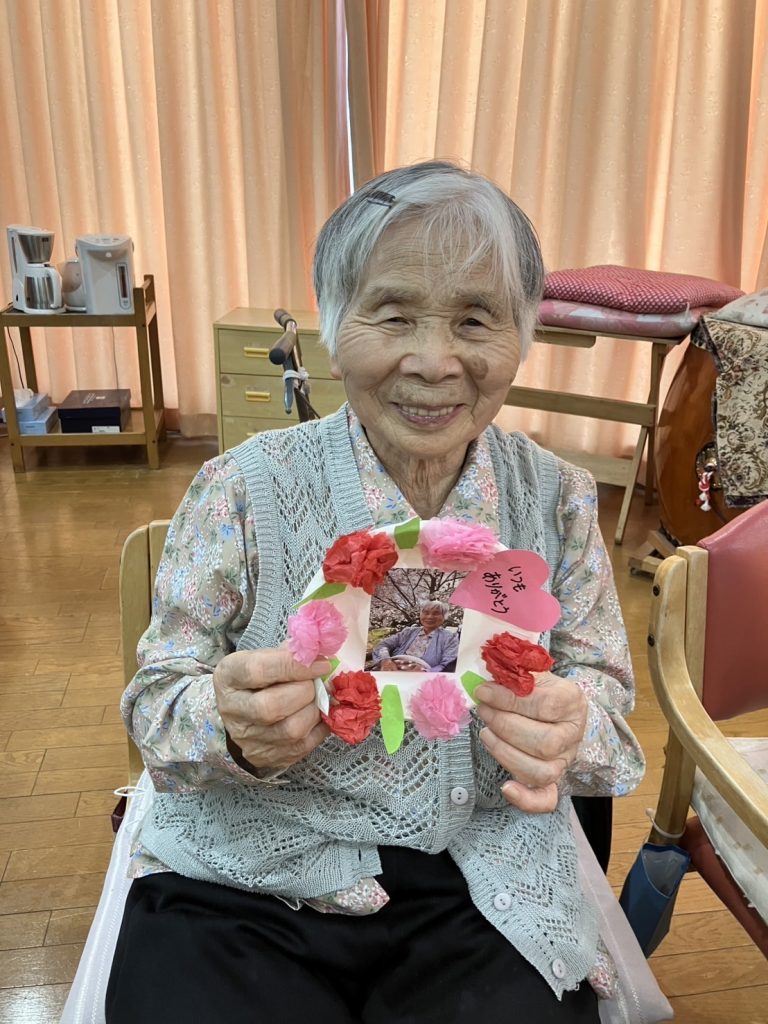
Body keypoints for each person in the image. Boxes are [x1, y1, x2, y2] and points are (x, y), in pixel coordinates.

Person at [108, 161, 645, 1023]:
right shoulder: (242, 489)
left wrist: (571, 725)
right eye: (393, 315)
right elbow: (154, 706)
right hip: (248, 877)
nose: (433, 363)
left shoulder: (558, 501)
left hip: (476, 876)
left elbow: (609, 710)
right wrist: (228, 723)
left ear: (522, 336)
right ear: (332, 327)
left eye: (475, 319)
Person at [372, 599, 458, 671]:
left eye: (436, 613)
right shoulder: (408, 632)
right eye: (426, 612)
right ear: (420, 615)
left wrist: (426, 672)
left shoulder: (450, 638)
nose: (429, 616)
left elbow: (447, 664)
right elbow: (383, 645)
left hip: (422, 675)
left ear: (444, 617)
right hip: (392, 667)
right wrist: (385, 660)